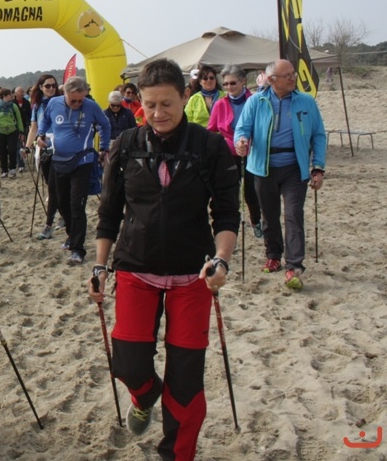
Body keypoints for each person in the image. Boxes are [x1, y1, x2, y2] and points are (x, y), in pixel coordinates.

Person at [90, 57, 239, 461]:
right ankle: (145, 395)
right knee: (128, 363)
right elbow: (108, 213)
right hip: (136, 269)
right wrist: (100, 266)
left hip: (193, 275)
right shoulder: (126, 146)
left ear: (185, 96)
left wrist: (221, 260)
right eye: (150, 104)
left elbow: (227, 214)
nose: (157, 113)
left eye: (167, 104)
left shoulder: (210, 147)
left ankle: (176, 454)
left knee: (185, 380)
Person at [234, 59, 326, 289]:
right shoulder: (256, 101)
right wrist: (241, 142)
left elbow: (318, 134)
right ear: (272, 79)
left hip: (295, 167)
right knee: (269, 214)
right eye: (287, 75)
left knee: (294, 214)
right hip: (263, 167)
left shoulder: (306, 101)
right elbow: (242, 129)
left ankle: (294, 266)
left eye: (293, 74)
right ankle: (273, 254)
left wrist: (318, 166)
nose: (293, 78)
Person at [36, 76, 110, 265]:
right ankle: (71, 235)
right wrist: (40, 135)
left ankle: (78, 249)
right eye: (73, 100)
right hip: (59, 159)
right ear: (65, 94)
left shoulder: (91, 106)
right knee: (62, 203)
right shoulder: (54, 103)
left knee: (77, 204)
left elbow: (105, 124)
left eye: (80, 100)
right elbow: (44, 120)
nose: (77, 104)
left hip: (82, 160)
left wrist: (104, 147)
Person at [207, 65, 263, 239]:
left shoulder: (254, 100)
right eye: (225, 84)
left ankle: (256, 221)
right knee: (231, 191)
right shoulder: (220, 104)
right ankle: (230, 225)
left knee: (251, 192)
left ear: (243, 81)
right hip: (229, 154)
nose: (229, 87)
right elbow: (211, 129)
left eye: (233, 83)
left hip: (252, 152)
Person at [27, 74, 61, 239]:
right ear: (40, 87)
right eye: (47, 86)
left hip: (59, 145)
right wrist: (27, 147)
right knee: (51, 185)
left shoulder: (62, 101)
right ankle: (63, 215)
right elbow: (33, 128)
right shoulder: (37, 105)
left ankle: (49, 225)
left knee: (54, 187)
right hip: (42, 144)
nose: (51, 89)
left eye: (54, 86)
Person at [0, 88, 24, 179]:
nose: (11, 96)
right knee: (2, 151)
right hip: (1, 132)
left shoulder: (14, 106)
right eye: (10, 94)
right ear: (4, 96)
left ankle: (12, 169)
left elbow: (19, 119)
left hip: (12, 131)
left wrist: (21, 131)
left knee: (12, 150)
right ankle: (4, 170)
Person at [14, 86, 32, 172]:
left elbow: (29, 114)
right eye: (20, 92)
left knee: (26, 144)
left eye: (23, 92)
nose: (22, 93)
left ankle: (23, 160)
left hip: (25, 126)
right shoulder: (12, 103)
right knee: (19, 145)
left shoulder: (26, 102)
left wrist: (29, 123)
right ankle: (20, 164)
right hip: (15, 127)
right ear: (15, 93)